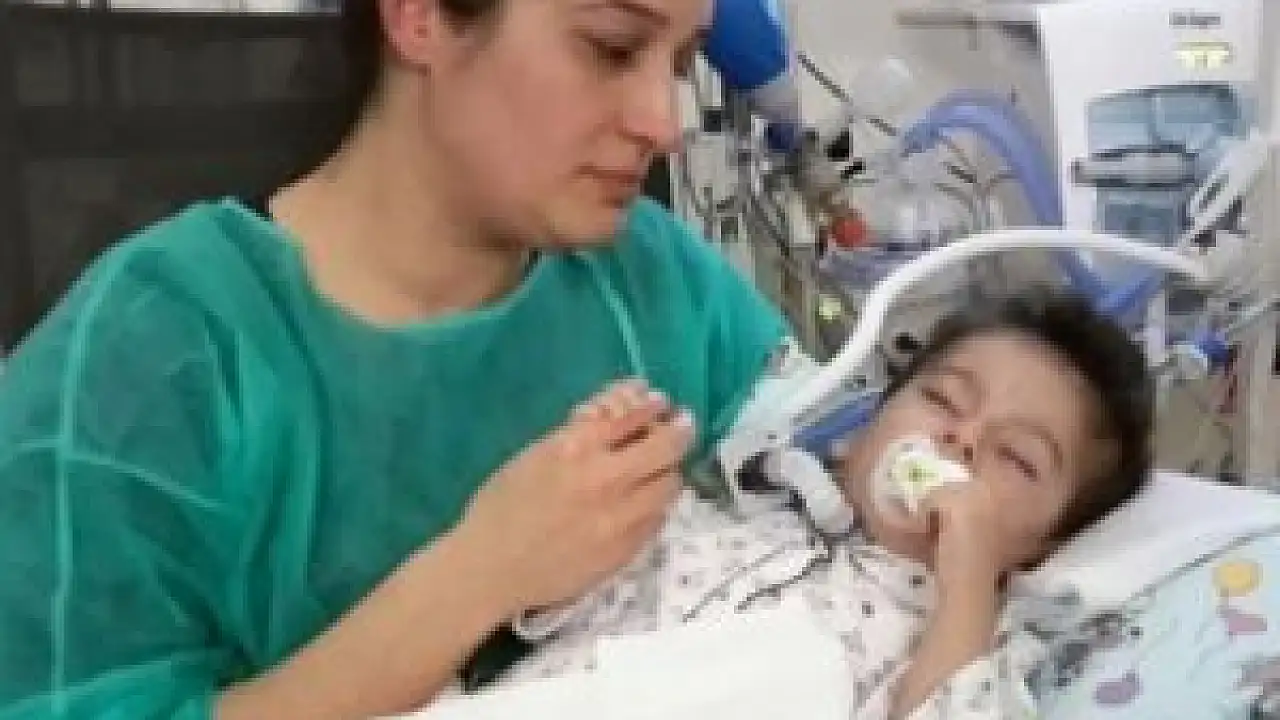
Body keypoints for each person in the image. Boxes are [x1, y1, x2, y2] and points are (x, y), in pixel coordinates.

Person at [0, 1, 789, 717]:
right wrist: (481, 575)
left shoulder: (652, 277)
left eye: (680, 63)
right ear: (419, 17)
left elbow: (808, 453)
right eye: (611, 48)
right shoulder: (155, 357)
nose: (662, 122)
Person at [494, 290, 1155, 719]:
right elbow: (559, 600)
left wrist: (969, 587)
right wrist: (607, 460)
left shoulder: (971, 644)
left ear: (1044, 545)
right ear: (860, 438)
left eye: (1017, 458)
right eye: (942, 400)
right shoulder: (723, 520)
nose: (963, 439)